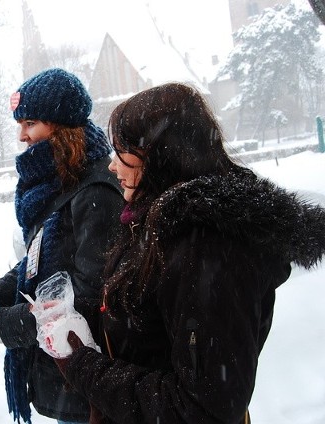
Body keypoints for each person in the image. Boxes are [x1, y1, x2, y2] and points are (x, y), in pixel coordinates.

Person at [49, 82, 325, 423]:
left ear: (161, 154)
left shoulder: (208, 249)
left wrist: (84, 368)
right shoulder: (155, 220)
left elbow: (204, 409)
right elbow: (148, 323)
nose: (111, 165)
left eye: (122, 151)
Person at [0, 68, 125, 424]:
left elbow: (91, 296)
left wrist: (6, 323)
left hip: (89, 374)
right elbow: (39, 259)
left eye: (30, 123)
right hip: (63, 369)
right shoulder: (58, 181)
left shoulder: (95, 188)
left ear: (60, 125)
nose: (21, 136)